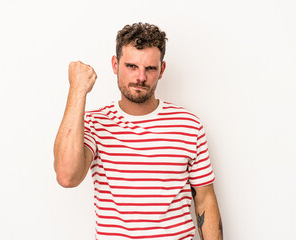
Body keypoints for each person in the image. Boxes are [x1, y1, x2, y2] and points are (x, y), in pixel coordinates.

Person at [54, 22, 223, 240]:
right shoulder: (94, 124)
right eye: (131, 66)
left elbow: (205, 199)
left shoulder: (188, 125)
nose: (140, 77)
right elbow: (67, 176)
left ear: (161, 70)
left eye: (150, 68)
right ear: (115, 65)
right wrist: (77, 90)